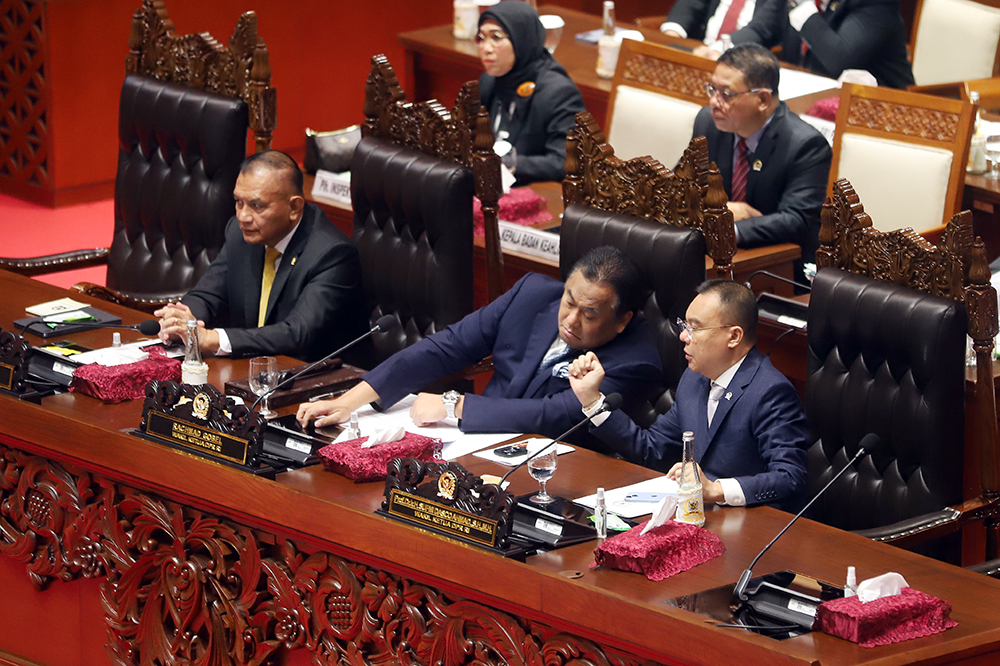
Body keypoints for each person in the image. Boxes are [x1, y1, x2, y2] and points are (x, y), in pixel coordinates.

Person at [297, 246, 662, 440]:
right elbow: (447, 346)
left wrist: (454, 405)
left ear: (622, 320)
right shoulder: (533, 294)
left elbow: (554, 415)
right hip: (474, 445)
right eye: (569, 300)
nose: (570, 320)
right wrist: (349, 401)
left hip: (554, 471)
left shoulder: (637, 359)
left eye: (590, 314)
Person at [569, 279, 809, 508]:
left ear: (734, 336)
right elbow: (651, 449)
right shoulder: (694, 379)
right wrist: (592, 400)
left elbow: (790, 477)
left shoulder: (769, 391)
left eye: (695, 327)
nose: (683, 336)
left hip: (754, 526)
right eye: (684, 326)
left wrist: (716, 490)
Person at [154, 150, 367, 362]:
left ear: (294, 207)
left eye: (256, 206)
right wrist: (181, 321)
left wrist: (211, 338)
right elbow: (208, 295)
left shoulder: (332, 254)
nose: (243, 216)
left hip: (319, 377)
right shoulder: (242, 234)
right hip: (256, 370)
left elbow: (297, 333)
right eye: (238, 202)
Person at [693, 43, 831, 283]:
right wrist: (720, 210)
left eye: (726, 94)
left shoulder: (805, 145)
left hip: (778, 268)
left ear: (763, 99)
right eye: (712, 89)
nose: (714, 102)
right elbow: (684, 185)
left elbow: (796, 219)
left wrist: (724, 228)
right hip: (716, 257)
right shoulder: (709, 123)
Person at [476, 1, 585, 185]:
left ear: (522, 39)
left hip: (534, 192)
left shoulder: (559, 93)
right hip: (490, 186)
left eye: (496, 37)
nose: (486, 48)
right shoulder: (488, 81)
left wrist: (509, 163)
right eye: (481, 37)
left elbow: (564, 162)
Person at [779, 0, 914, 89]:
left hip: (883, 114)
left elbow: (838, 58)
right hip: (813, 101)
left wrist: (802, 8)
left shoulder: (877, 4)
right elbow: (761, 31)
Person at [661, 0, 785, 60]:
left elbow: (761, 28)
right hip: (700, 50)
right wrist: (672, 34)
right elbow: (689, 4)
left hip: (742, 62)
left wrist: (718, 49)